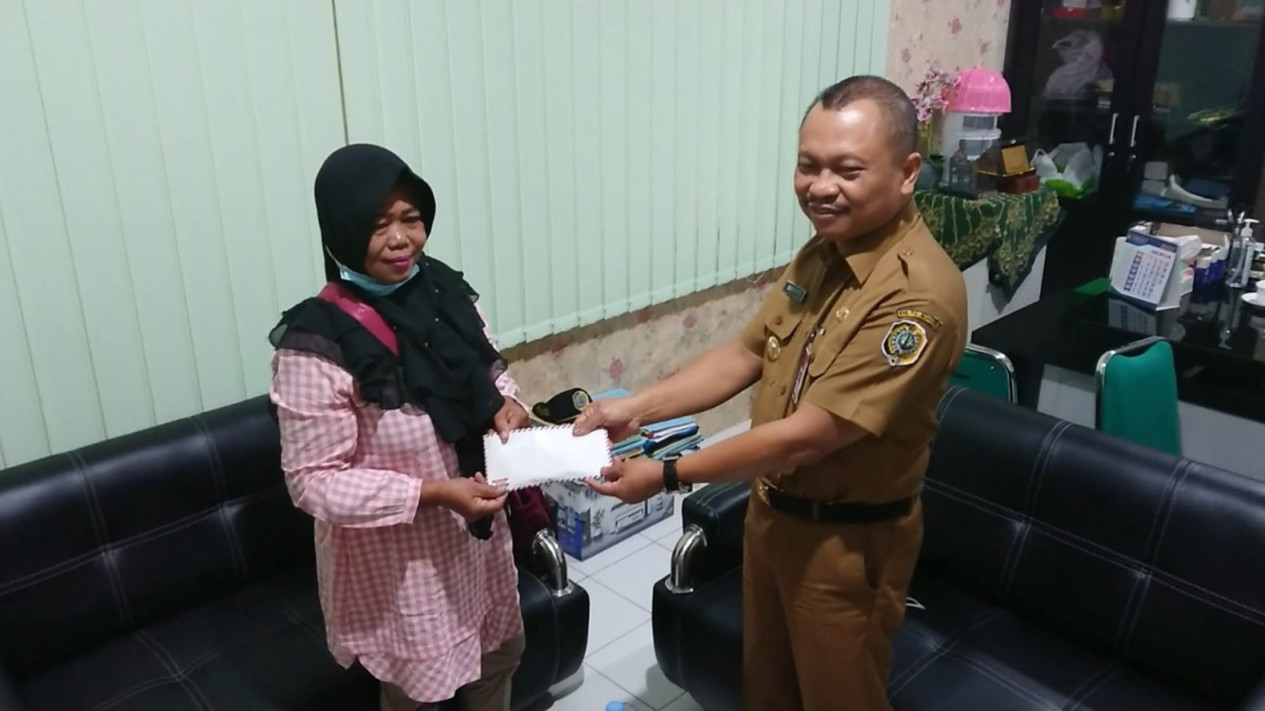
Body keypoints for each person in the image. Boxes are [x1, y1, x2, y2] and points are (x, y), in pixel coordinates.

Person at [576, 76, 968, 711]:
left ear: (907, 173)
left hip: (845, 546)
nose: (820, 187)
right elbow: (749, 353)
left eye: (847, 170)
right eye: (808, 165)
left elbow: (811, 436)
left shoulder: (915, 296)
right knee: (767, 690)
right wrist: (635, 408)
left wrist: (667, 473)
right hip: (772, 518)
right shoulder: (824, 250)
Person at [268, 144, 530, 711]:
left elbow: (487, 367)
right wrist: (431, 492)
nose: (400, 239)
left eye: (411, 218)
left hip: (479, 543)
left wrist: (507, 402)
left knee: (499, 658)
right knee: (420, 696)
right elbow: (313, 482)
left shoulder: (444, 292)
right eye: (376, 224)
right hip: (406, 570)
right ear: (340, 229)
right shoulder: (318, 345)